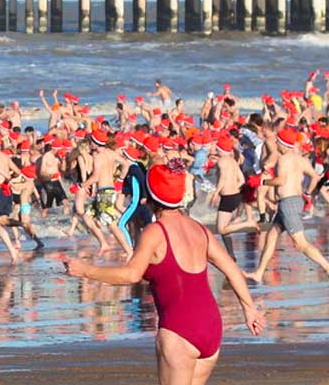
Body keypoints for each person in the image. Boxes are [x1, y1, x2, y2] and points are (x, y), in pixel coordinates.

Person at [64, 160, 264, 385]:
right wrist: (250, 310)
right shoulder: (198, 228)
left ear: (149, 196)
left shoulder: (154, 232)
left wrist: (85, 271)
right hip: (211, 327)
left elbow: (131, 274)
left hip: (180, 328)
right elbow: (232, 269)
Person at [245, 127, 329, 284]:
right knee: (271, 237)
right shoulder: (301, 159)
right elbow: (316, 177)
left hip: (288, 204)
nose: (275, 143)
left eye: (277, 141)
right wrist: (307, 194)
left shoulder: (283, 159)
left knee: (300, 244)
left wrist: (261, 181)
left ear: (283, 144)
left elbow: (280, 181)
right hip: (291, 201)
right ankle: (258, 273)